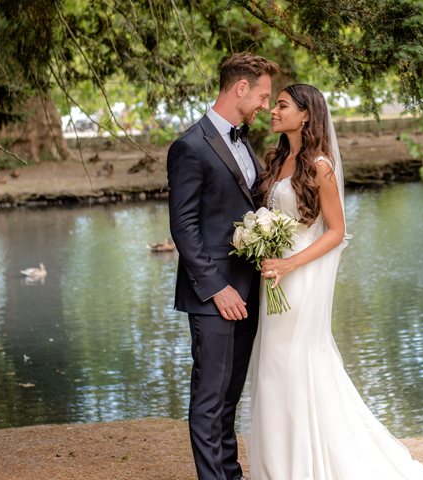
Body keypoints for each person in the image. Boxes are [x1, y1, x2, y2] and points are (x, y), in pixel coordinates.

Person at [244, 84, 423, 479]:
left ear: (306, 115)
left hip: (300, 276)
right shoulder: (276, 159)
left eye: (282, 106)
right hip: (274, 272)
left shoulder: (319, 165)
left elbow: (336, 231)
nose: (273, 111)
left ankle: (310, 465)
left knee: (295, 363)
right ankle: (278, 466)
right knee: (272, 366)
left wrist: (291, 265)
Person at [167, 52, 279, 480]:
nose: (265, 106)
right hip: (214, 295)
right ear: (241, 88)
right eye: (263, 96)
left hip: (248, 291)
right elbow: (184, 226)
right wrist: (216, 288)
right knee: (210, 398)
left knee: (230, 398)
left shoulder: (240, 139)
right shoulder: (189, 146)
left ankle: (230, 474)